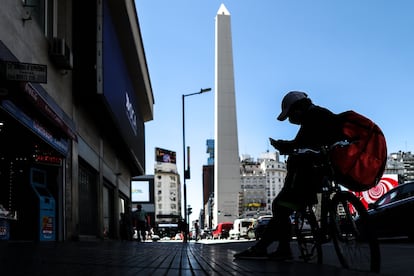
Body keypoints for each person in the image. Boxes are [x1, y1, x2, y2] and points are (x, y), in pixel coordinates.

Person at [234, 91, 343, 260]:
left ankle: (270, 248)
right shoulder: (322, 114)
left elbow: (299, 145)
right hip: (326, 174)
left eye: (291, 114)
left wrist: (281, 145)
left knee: (279, 206)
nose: (291, 120)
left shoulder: (312, 118)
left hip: (308, 178)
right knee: (284, 207)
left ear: (298, 108)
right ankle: (280, 247)